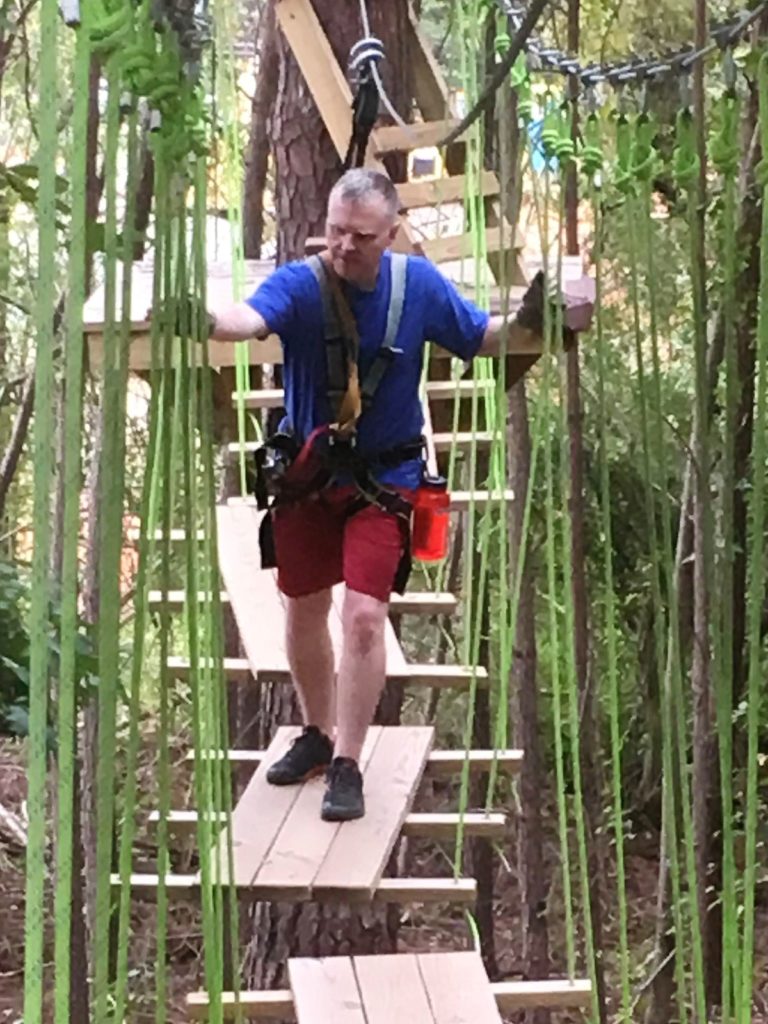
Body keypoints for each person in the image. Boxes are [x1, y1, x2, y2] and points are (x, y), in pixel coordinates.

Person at [206, 167, 590, 822]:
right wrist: (206, 319)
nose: (343, 246)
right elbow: (246, 320)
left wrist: (532, 321)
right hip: (307, 475)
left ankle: (349, 759)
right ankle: (318, 732)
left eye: (359, 236)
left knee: (361, 616)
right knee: (301, 606)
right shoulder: (302, 285)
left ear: (390, 235)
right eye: (334, 231)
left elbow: (480, 338)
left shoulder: (419, 289)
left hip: (386, 481)